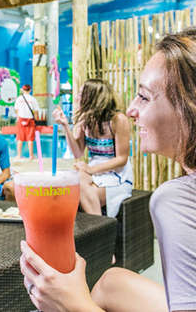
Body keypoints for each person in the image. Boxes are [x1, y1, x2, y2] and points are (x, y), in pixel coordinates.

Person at [20, 28, 196, 312]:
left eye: (144, 96)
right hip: (96, 177)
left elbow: (121, 159)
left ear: (188, 107)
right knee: (111, 281)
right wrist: (67, 128)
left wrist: (72, 304)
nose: (131, 109)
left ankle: (100, 236)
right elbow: (78, 153)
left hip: (114, 178)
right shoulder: (88, 123)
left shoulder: (178, 199)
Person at [52, 79, 133, 217]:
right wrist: (65, 125)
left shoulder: (118, 120)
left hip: (117, 176)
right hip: (94, 174)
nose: (77, 96)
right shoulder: (86, 121)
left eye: (81, 93)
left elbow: (122, 159)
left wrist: (90, 169)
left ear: (94, 97)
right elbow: (77, 152)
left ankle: (99, 229)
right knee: (72, 179)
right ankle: (97, 227)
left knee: (79, 190)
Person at [14, 84, 40, 160]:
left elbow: (16, 110)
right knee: (30, 139)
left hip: (21, 120)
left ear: (23, 90)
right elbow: (36, 111)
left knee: (20, 139)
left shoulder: (19, 99)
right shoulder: (33, 99)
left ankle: (19, 155)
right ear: (30, 90)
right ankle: (31, 156)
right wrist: (36, 120)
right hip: (30, 120)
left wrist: (18, 117)